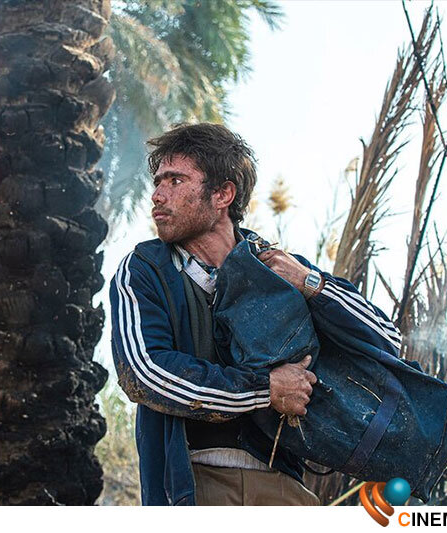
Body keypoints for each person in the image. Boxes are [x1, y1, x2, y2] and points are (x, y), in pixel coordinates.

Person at [109, 123, 402, 506]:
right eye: (158, 182)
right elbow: (146, 374)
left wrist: (311, 284)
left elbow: (387, 340)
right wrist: (264, 390)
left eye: (175, 180)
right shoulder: (146, 269)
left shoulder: (282, 268)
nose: (157, 195)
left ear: (223, 194)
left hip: (286, 488)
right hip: (194, 486)